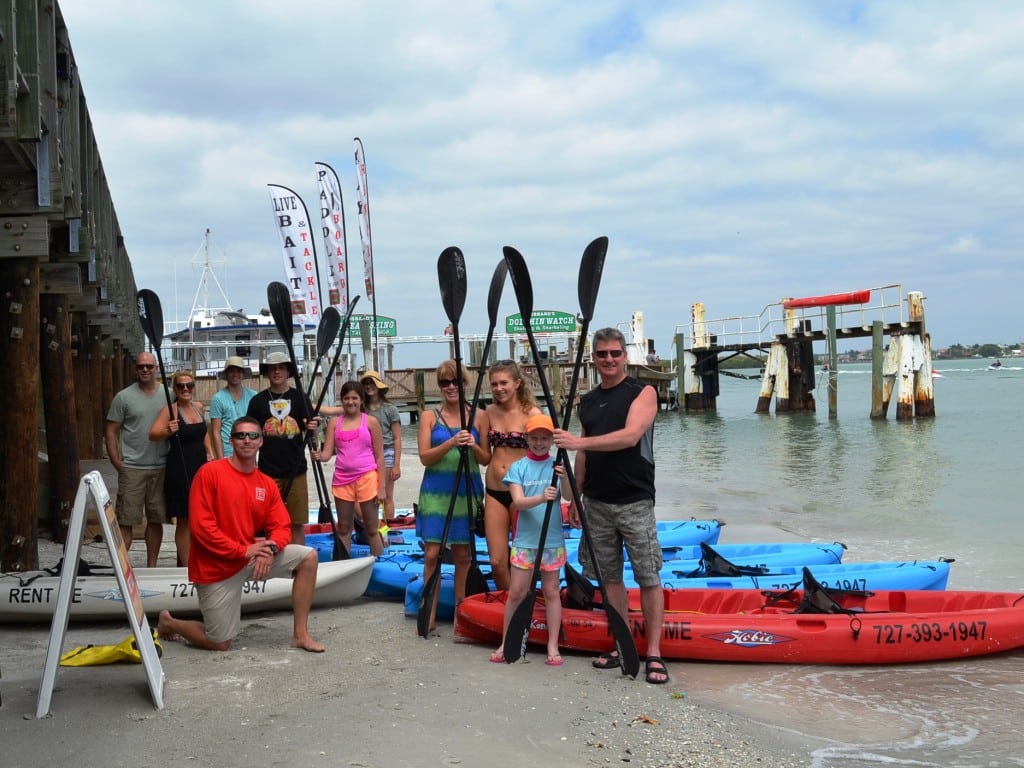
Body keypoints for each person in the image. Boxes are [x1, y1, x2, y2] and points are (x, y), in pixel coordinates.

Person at [553, 327, 668, 685]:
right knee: (611, 579)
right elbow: (584, 452)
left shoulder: (643, 392)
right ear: (594, 358)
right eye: (602, 354)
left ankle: (654, 653)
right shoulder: (587, 402)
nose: (609, 359)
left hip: (634, 500)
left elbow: (630, 436)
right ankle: (622, 644)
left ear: (625, 356)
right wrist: (574, 495)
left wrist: (575, 441)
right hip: (597, 502)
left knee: (648, 576)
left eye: (615, 353)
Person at [155, 416, 324, 653]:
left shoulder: (265, 484)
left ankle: (300, 634)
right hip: (216, 567)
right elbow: (202, 529)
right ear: (231, 441)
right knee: (220, 643)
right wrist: (244, 550)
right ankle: (169, 622)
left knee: (308, 557)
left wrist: (271, 549)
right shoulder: (209, 473)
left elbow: (282, 526)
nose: (247, 440)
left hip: (250, 558)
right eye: (240, 435)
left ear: (261, 442)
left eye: (253, 435)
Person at [416, 359, 489, 632]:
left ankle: (462, 615)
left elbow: (485, 459)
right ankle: (429, 613)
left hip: (466, 492)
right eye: (445, 382)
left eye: (455, 381)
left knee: (462, 556)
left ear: (465, 384)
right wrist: (450, 442)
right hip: (436, 493)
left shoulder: (479, 416)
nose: (450, 387)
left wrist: (473, 444)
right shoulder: (429, 416)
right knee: (432, 554)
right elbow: (425, 457)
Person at [489, 414, 566, 666]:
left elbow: (570, 495)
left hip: (552, 540)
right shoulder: (518, 468)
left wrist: (564, 476)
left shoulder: (557, 465)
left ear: (551, 441)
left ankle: (552, 646)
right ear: (526, 439)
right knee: (517, 593)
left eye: (545, 438)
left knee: (552, 591)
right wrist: (542, 498)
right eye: (534, 438)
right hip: (525, 541)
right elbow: (519, 502)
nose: (540, 443)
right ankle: (506, 641)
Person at [477, 360, 541, 591]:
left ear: (517, 383)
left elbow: (542, 455)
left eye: (503, 382)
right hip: (494, 490)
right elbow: (484, 457)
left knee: (524, 558)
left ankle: (525, 599)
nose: (498, 388)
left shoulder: (532, 414)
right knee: (497, 561)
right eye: (494, 384)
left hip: (522, 491)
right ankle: (508, 603)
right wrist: (469, 444)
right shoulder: (488, 413)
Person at [246, 351, 319, 546]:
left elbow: (311, 432)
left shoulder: (300, 397)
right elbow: (250, 436)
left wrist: (313, 428)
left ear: (288, 371)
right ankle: (273, 561)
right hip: (267, 472)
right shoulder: (257, 401)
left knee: (297, 522)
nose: (277, 372)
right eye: (272, 369)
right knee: (271, 522)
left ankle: (300, 562)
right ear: (267, 373)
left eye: (281, 368)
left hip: (296, 470)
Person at [104, 351, 169, 567]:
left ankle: (152, 566)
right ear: (135, 369)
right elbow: (111, 430)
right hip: (132, 467)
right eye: (141, 366)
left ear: (156, 369)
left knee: (156, 519)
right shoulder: (123, 397)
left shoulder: (167, 394)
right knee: (126, 520)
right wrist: (115, 460)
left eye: (149, 366)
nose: (145, 370)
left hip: (161, 466)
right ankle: (121, 568)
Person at [148, 370, 213, 567]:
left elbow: (204, 433)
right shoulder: (170, 410)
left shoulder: (199, 407)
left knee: (200, 516)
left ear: (194, 387)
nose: (186, 389)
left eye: (189, 385)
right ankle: (186, 566)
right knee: (185, 518)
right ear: (175, 389)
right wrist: (168, 430)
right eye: (181, 386)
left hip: (200, 468)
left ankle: (195, 558)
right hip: (180, 467)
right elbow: (152, 434)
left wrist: (210, 454)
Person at [314, 381, 386, 556]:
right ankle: (342, 562)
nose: (350, 402)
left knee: (371, 528)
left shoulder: (370, 422)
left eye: (354, 398)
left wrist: (382, 487)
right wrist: (316, 446)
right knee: (344, 527)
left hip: (367, 478)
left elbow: (379, 456)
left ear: (361, 400)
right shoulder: (333, 423)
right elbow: (326, 454)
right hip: (342, 480)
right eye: (346, 398)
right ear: (342, 400)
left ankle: (378, 561)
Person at [360, 370, 402, 522]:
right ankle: (372, 526)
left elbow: (397, 438)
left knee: (387, 495)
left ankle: (388, 529)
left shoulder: (390, 409)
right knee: (368, 494)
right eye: (366, 384)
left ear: (378, 385)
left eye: (372, 383)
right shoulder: (362, 409)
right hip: (367, 454)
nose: (369, 387)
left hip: (387, 453)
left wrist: (397, 464)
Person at [210, 356, 256, 459]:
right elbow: (216, 431)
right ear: (226, 374)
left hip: (250, 450)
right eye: (231, 371)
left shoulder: (253, 395)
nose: (235, 374)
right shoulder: (218, 398)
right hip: (228, 452)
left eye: (239, 371)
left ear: (243, 374)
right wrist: (220, 459)